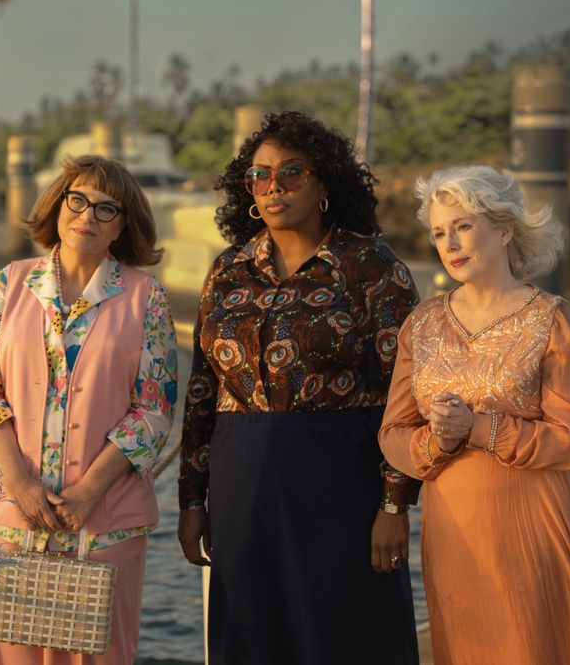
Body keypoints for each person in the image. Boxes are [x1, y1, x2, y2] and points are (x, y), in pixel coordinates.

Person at [177, 111, 421, 663]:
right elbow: (201, 392)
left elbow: (406, 394)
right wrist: (193, 500)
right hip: (241, 484)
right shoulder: (227, 270)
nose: (273, 187)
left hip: (340, 485)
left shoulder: (371, 267)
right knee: (253, 636)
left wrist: (395, 503)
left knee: (345, 636)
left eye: (291, 171)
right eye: (259, 176)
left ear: (324, 180)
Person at [379, 165, 570, 664]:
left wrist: (478, 427)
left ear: (505, 229)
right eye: (440, 232)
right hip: (454, 530)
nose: (450, 242)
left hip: (533, 521)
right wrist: (439, 442)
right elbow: (394, 433)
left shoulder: (550, 317)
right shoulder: (422, 324)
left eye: (463, 226)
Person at [0, 155, 178, 665]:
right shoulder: (8, 284)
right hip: (11, 523)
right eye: (78, 200)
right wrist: (18, 483)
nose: (89, 215)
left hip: (106, 525)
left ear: (123, 226)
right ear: (58, 205)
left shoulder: (146, 297)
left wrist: (87, 492)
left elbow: (153, 410)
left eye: (107, 209)